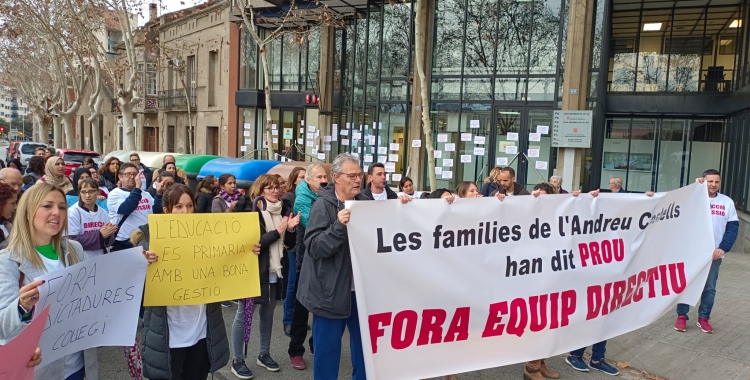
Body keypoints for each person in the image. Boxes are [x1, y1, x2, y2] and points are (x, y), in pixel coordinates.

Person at [0, 183, 98, 380]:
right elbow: (3, 324)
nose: (57, 212)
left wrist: (137, 264)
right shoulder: (8, 260)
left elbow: (97, 291)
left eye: (62, 207)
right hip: (39, 370)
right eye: (47, 206)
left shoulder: (74, 250)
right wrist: (22, 306)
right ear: (28, 211)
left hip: (78, 365)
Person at [133, 184, 230, 380]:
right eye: (178, 206)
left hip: (201, 332)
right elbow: (136, 289)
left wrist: (246, 252)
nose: (185, 212)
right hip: (168, 337)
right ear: (167, 210)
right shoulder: (148, 238)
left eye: (189, 206)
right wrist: (141, 262)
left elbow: (229, 259)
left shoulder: (209, 236)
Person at [296, 153, 372, 380]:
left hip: (361, 295)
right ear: (336, 178)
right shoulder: (323, 205)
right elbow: (315, 247)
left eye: (360, 175)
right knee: (327, 358)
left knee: (366, 356)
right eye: (352, 175)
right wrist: (338, 226)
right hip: (329, 295)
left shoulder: (366, 203)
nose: (358, 180)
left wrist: (403, 204)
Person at [229, 174, 299, 379]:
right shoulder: (252, 211)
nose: (274, 191)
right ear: (260, 191)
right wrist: (278, 232)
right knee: (244, 315)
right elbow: (254, 243)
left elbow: (290, 245)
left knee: (267, 315)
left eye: (276, 187)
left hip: (275, 272)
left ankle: (264, 353)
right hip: (253, 271)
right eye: (269, 188)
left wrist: (291, 230)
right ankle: (238, 359)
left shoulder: (285, 211)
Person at [674, 169, 738, 333]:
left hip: (714, 255)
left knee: (709, 288)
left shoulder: (727, 202)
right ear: (704, 181)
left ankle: (703, 318)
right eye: (710, 181)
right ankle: (682, 316)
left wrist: (723, 248)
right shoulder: (694, 198)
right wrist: (695, 188)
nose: (713, 184)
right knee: (687, 285)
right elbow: (677, 209)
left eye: (716, 181)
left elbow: (732, 229)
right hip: (692, 253)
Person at [287, 163, 328, 370]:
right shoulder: (302, 199)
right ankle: (295, 350)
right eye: (319, 177)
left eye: (325, 177)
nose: (323, 180)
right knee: (301, 309)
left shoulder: (328, 196)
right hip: (306, 261)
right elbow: (315, 224)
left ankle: (315, 344)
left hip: (326, 261)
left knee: (320, 307)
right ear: (308, 180)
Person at [107, 163, 156, 251]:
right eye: (128, 174)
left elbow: (155, 211)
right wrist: (137, 188)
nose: (132, 177)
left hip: (145, 238)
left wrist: (159, 194)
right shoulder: (114, 194)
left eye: (134, 174)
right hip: (125, 241)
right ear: (120, 177)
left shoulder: (145, 194)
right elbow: (126, 209)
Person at [281, 167, 306, 335]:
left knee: (303, 285)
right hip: (294, 245)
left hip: (306, 246)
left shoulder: (312, 196)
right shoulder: (289, 198)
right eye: (302, 177)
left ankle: (299, 319)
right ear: (294, 180)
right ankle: (287, 320)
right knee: (292, 284)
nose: (305, 180)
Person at [67, 178, 117, 260]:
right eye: (83, 192)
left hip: (101, 259)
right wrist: (100, 235)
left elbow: (110, 239)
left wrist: (109, 234)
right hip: (82, 260)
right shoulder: (73, 213)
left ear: (98, 192)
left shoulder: (103, 213)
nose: (87, 196)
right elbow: (72, 242)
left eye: (91, 191)